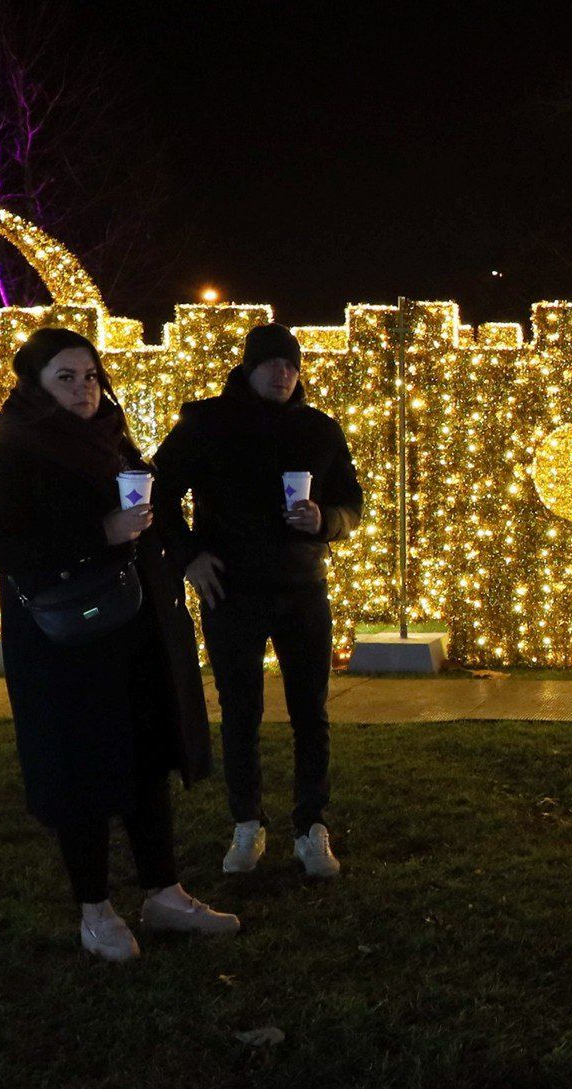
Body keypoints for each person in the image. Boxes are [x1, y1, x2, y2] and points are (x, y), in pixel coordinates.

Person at [0, 327, 239, 962]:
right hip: (67, 640)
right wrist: (100, 531)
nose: (84, 389)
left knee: (145, 755)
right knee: (81, 767)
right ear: (34, 384)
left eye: (91, 376)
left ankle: (163, 891)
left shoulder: (111, 438)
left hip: (135, 628)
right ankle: (95, 907)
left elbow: (147, 511)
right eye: (66, 377)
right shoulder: (5, 451)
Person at [153, 323, 362, 879]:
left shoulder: (319, 430)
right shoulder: (207, 424)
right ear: (248, 367)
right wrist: (189, 557)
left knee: (310, 712)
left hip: (301, 588)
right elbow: (159, 493)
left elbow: (350, 501)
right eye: (271, 364)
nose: (282, 374)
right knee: (240, 711)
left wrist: (327, 520)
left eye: (291, 365)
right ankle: (247, 823)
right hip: (232, 589)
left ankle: (310, 826)